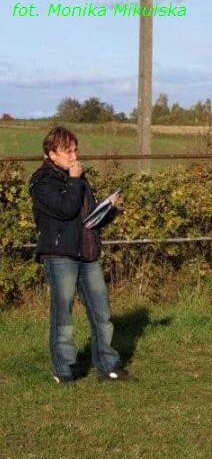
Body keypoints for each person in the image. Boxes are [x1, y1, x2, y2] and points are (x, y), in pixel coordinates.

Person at [29, 126, 129, 384]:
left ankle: (108, 364)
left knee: (102, 313)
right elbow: (65, 209)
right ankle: (63, 370)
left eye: (76, 150)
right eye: (67, 151)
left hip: (87, 253)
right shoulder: (42, 182)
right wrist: (74, 180)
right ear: (51, 154)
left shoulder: (78, 178)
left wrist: (110, 210)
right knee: (63, 316)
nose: (74, 156)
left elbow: (88, 217)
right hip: (60, 254)